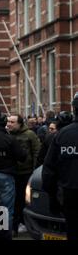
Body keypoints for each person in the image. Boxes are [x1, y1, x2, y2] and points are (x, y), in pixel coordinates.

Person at [0, 112, 26, 240]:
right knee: (5, 209)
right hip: (6, 176)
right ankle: (4, 236)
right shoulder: (9, 139)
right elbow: (22, 156)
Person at [42, 93, 78, 240]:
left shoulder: (62, 134)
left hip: (70, 195)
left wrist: (53, 198)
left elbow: (49, 170)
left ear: (74, 109)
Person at [6, 114, 41, 236]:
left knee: (24, 200)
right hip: (12, 173)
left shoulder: (30, 135)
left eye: (12, 122)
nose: (9, 124)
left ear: (20, 123)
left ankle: (24, 223)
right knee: (14, 201)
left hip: (26, 173)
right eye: (8, 121)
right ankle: (14, 226)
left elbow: (37, 152)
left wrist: (34, 172)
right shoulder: (7, 135)